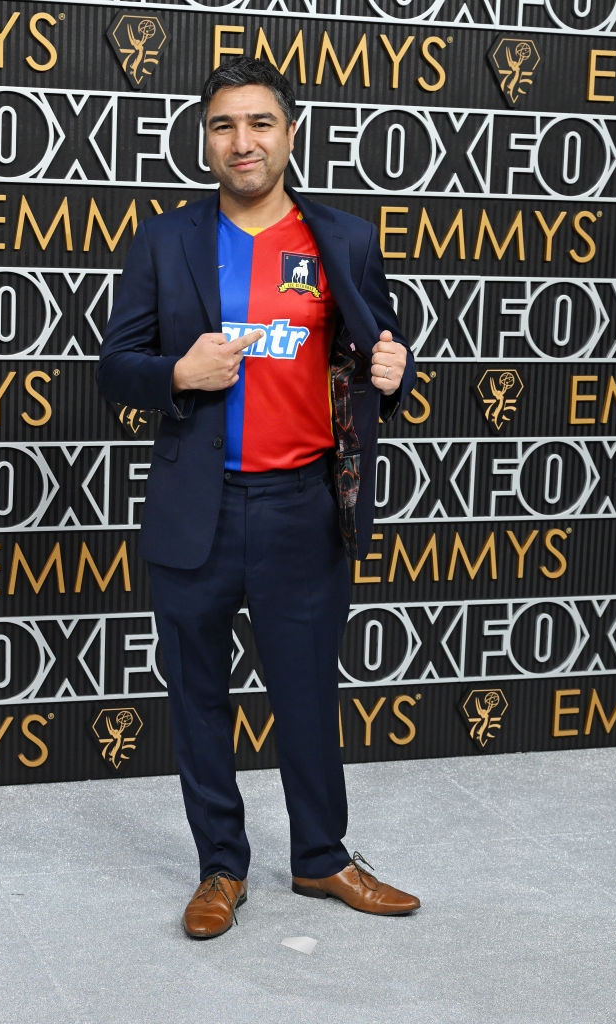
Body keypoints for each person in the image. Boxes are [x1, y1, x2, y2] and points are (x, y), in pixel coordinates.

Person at [98, 56, 420, 939]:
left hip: (300, 508)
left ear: (289, 131)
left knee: (308, 693)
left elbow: (375, 351)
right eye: (222, 126)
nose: (242, 142)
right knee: (197, 697)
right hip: (196, 508)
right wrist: (177, 371)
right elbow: (113, 366)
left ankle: (321, 858)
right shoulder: (165, 240)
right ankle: (218, 870)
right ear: (205, 141)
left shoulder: (343, 241)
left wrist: (395, 374)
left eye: (260, 123)